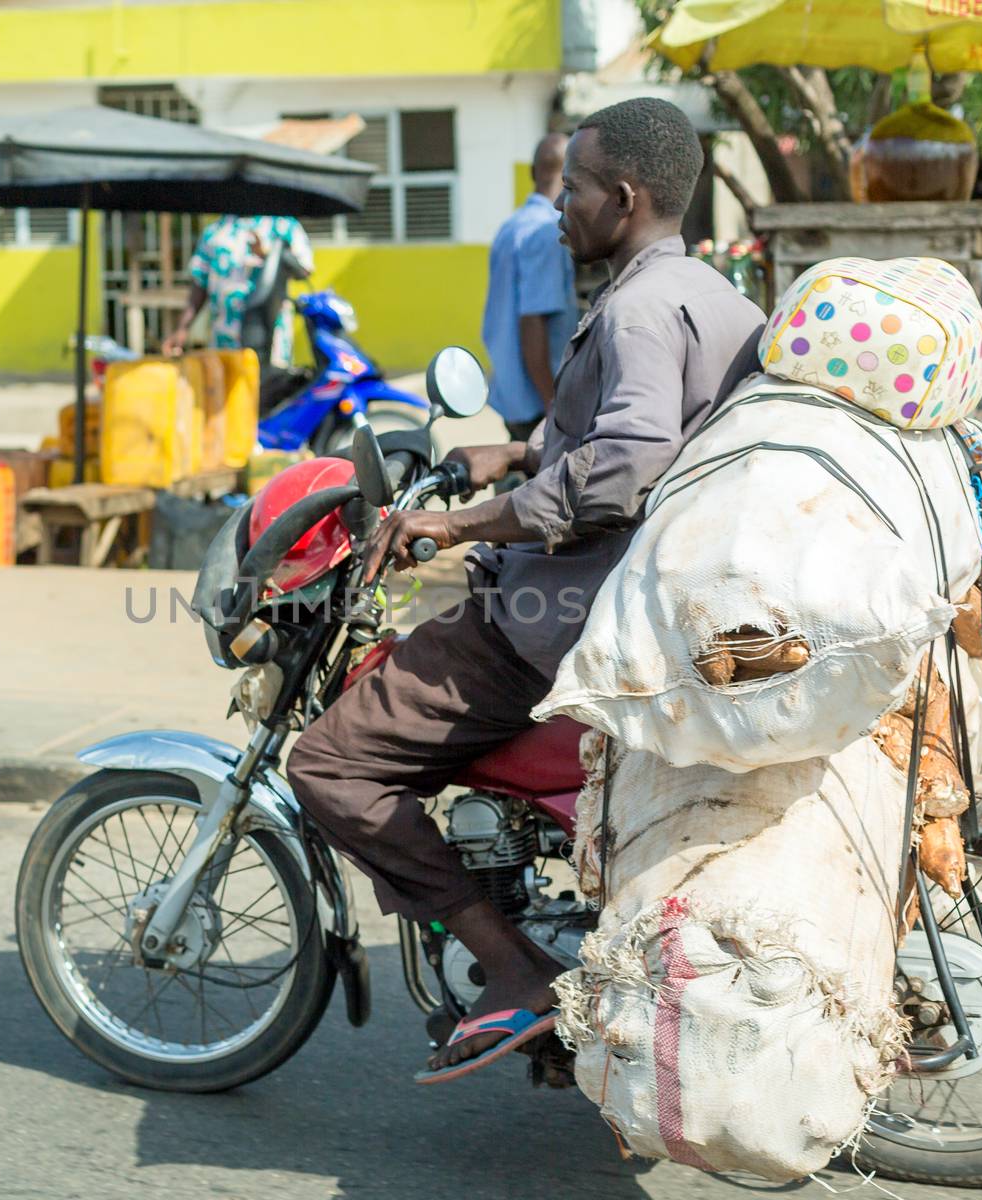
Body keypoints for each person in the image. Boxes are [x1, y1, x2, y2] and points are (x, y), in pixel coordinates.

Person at [286, 98, 766, 1082]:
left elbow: (622, 469)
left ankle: (512, 972)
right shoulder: (717, 298)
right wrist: (508, 451)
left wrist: (452, 523)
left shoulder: (631, 308)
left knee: (331, 762)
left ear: (622, 197)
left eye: (572, 186)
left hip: (551, 620)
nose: (557, 207)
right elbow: (626, 435)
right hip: (644, 602)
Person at [481, 133, 579, 442]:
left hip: (511, 394)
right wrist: (555, 408)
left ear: (531, 172)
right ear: (572, 174)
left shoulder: (511, 226)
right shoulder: (547, 232)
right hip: (538, 401)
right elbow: (532, 323)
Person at [161, 214, 314, 369]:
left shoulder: (282, 225)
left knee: (268, 388)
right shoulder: (215, 231)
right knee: (224, 389)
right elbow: (200, 284)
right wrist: (182, 328)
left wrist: (269, 255)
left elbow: (303, 270)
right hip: (224, 339)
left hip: (271, 338)